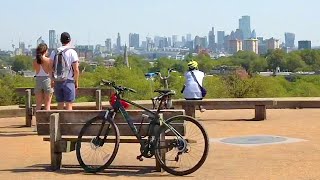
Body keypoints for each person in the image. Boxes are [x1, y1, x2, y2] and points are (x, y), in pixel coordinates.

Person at [50, 32, 79, 110]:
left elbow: (50, 68)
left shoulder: (54, 52)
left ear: (60, 40)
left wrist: (52, 80)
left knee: (59, 103)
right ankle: (67, 121)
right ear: (70, 40)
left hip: (57, 80)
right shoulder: (72, 52)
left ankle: (59, 121)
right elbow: (76, 69)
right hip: (69, 81)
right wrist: (76, 81)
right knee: (69, 104)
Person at [33, 43, 53, 110]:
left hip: (38, 80)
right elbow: (50, 72)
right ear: (45, 51)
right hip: (47, 80)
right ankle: (46, 120)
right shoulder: (49, 60)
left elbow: (35, 70)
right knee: (47, 104)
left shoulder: (35, 61)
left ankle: (36, 120)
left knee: (38, 104)